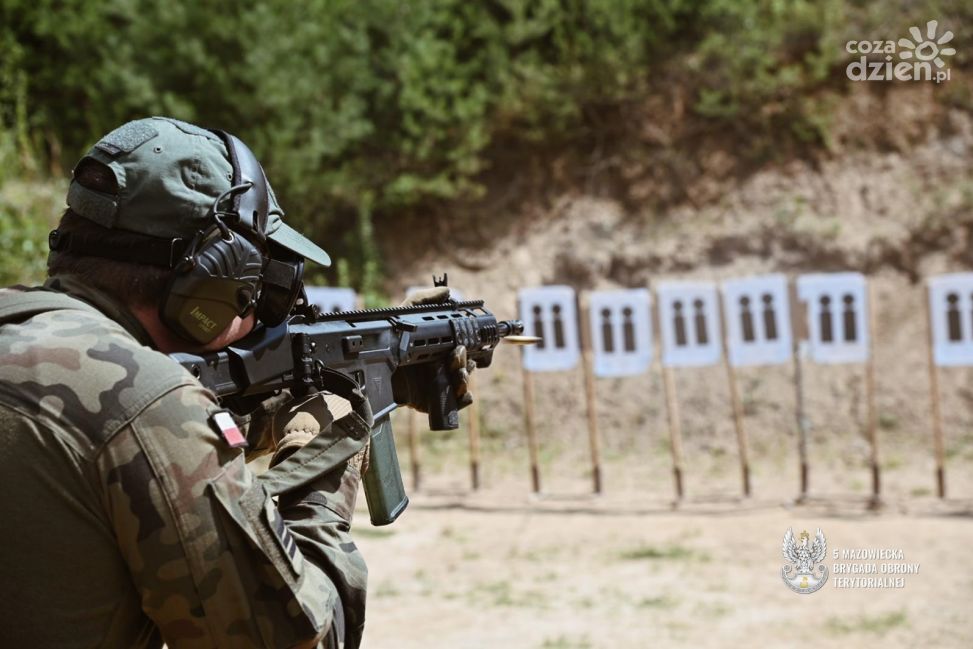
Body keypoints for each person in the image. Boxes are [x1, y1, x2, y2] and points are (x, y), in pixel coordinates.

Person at [0, 116, 455, 648]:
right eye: (260, 286)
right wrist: (321, 469)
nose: (262, 311)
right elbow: (298, 639)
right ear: (213, 284)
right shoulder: (147, 405)